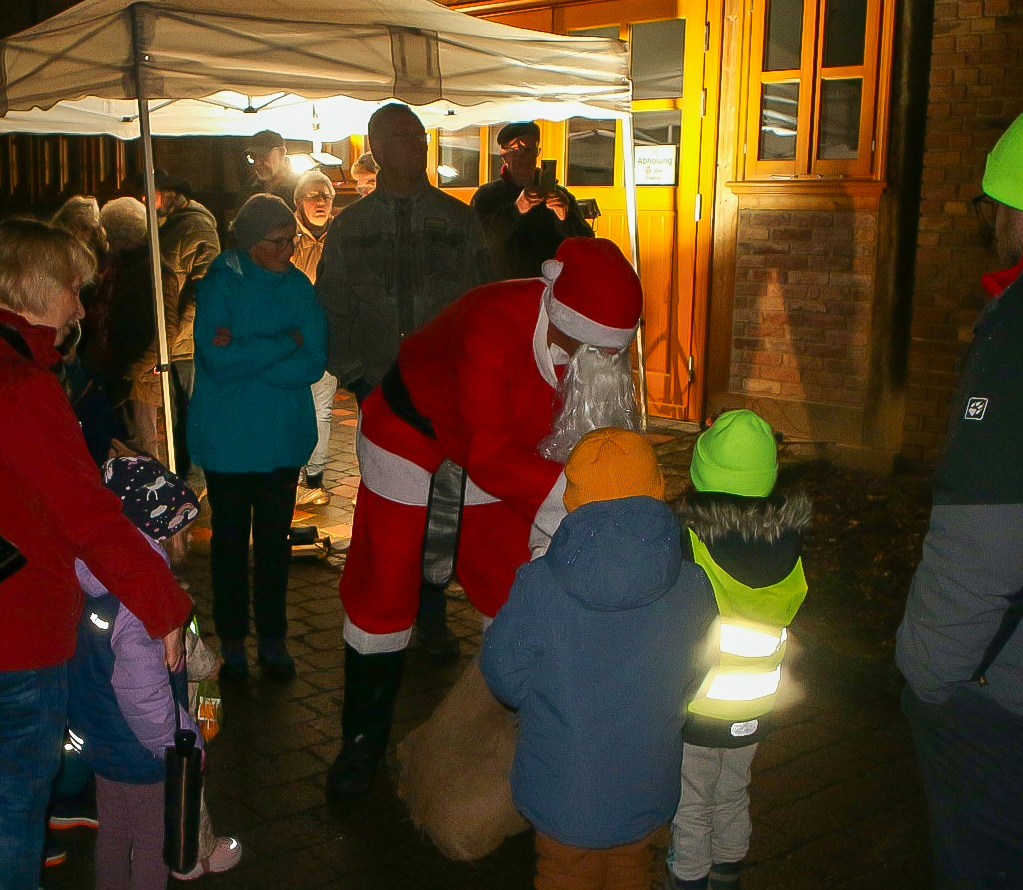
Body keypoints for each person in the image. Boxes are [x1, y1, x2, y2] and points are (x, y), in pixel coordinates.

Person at [0, 218, 193, 890]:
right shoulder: (15, 383)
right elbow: (86, 515)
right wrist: (163, 603)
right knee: (21, 787)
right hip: (17, 618)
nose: (80, 305)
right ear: (29, 288)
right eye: (72, 289)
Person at [326, 236, 644, 800]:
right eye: (590, 347)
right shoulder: (492, 324)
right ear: (562, 316)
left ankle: (512, 730)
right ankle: (361, 743)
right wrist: (575, 496)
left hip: (494, 443)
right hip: (410, 428)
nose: (599, 363)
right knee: (387, 577)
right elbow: (490, 456)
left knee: (505, 577)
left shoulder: (590, 351)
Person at [482, 428, 716, 890]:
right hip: (647, 779)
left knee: (563, 874)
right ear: (656, 490)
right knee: (631, 869)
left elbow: (504, 677)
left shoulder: (538, 585)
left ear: (571, 500)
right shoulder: (693, 584)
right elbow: (699, 670)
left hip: (562, 785)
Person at [316, 103, 493, 667]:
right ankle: (388, 610)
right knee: (389, 505)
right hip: (383, 390)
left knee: (444, 504)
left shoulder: (458, 221)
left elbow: (483, 302)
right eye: (400, 138)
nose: (414, 146)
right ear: (375, 146)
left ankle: (433, 607)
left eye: (419, 136)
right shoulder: (352, 228)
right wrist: (360, 380)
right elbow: (333, 311)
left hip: (444, 394)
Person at [896, 111, 1023, 889]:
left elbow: (985, 523)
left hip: (998, 696)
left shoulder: (1015, 337)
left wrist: (926, 668)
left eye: (993, 208)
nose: (991, 226)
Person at [66, 456, 242, 890]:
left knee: (113, 831)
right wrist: (180, 745)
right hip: (141, 749)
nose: (188, 539)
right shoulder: (145, 598)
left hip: (101, 736)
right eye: (184, 530)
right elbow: (142, 692)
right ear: (160, 527)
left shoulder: (97, 569)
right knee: (150, 841)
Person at [188, 194, 328, 682]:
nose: (289, 248)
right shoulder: (219, 286)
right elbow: (217, 362)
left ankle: (273, 638)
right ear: (250, 242)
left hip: (281, 439)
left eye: (291, 238)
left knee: (273, 545)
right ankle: (231, 644)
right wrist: (283, 341)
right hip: (229, 441)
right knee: (228, 546)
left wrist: (251, 353)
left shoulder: (298, 287)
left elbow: (313, 360)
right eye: (278, 240)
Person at [670, 410, 810, 890]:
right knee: (733, 792)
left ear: (701, 469)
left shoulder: (688, 539)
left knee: (691, 801)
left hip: (698, 702)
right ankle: (728, 874)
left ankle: (687, 880)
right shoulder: (788, 540)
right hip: (758, 698)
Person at [85, 196, 183, 463]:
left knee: (142, 450)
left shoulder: (152, 270)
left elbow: (165, 330)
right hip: (116, 373)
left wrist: (129, 372)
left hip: (137, 380)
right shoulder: (118, 265)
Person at [471, 122, 595, 282]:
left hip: (552, 290)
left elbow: (586, 244)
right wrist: (515, 211)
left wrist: (566, 218)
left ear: (538, 152)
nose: (526, 156)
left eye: (530, 149)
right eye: (517, 150)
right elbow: (476, 242)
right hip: (506, 290)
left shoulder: (559, 195)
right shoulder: (488, 196)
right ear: (503, 155)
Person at [288, 169, 339, 508]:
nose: (320, 201)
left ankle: (315, 476)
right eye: (312, 195)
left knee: (322, 408)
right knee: (292, 407)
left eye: (326, 195)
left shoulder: (342, 235)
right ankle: (290, 473)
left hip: (327, 337)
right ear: (298, 201)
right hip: (290, 340)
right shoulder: (285, 237)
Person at [146, 169, 219, 399]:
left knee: (186, 414)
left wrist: (174, 335)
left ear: (170, 195)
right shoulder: (168, 225)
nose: (147, 203)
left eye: (152, 196)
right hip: (172, 342)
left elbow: (204, 287)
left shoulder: (195, 226)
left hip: (184, 347)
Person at [243, 130, 298, 207]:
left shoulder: (300, 188)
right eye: (253, 156)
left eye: (264, 155)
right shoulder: (249, 187)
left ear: (282, 152)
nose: (257, 163)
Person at [52, 194, 109, 263]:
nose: (79, 233)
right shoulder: (53, 247)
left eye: (85, 228)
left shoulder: (93, 248)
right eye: (75, 226)